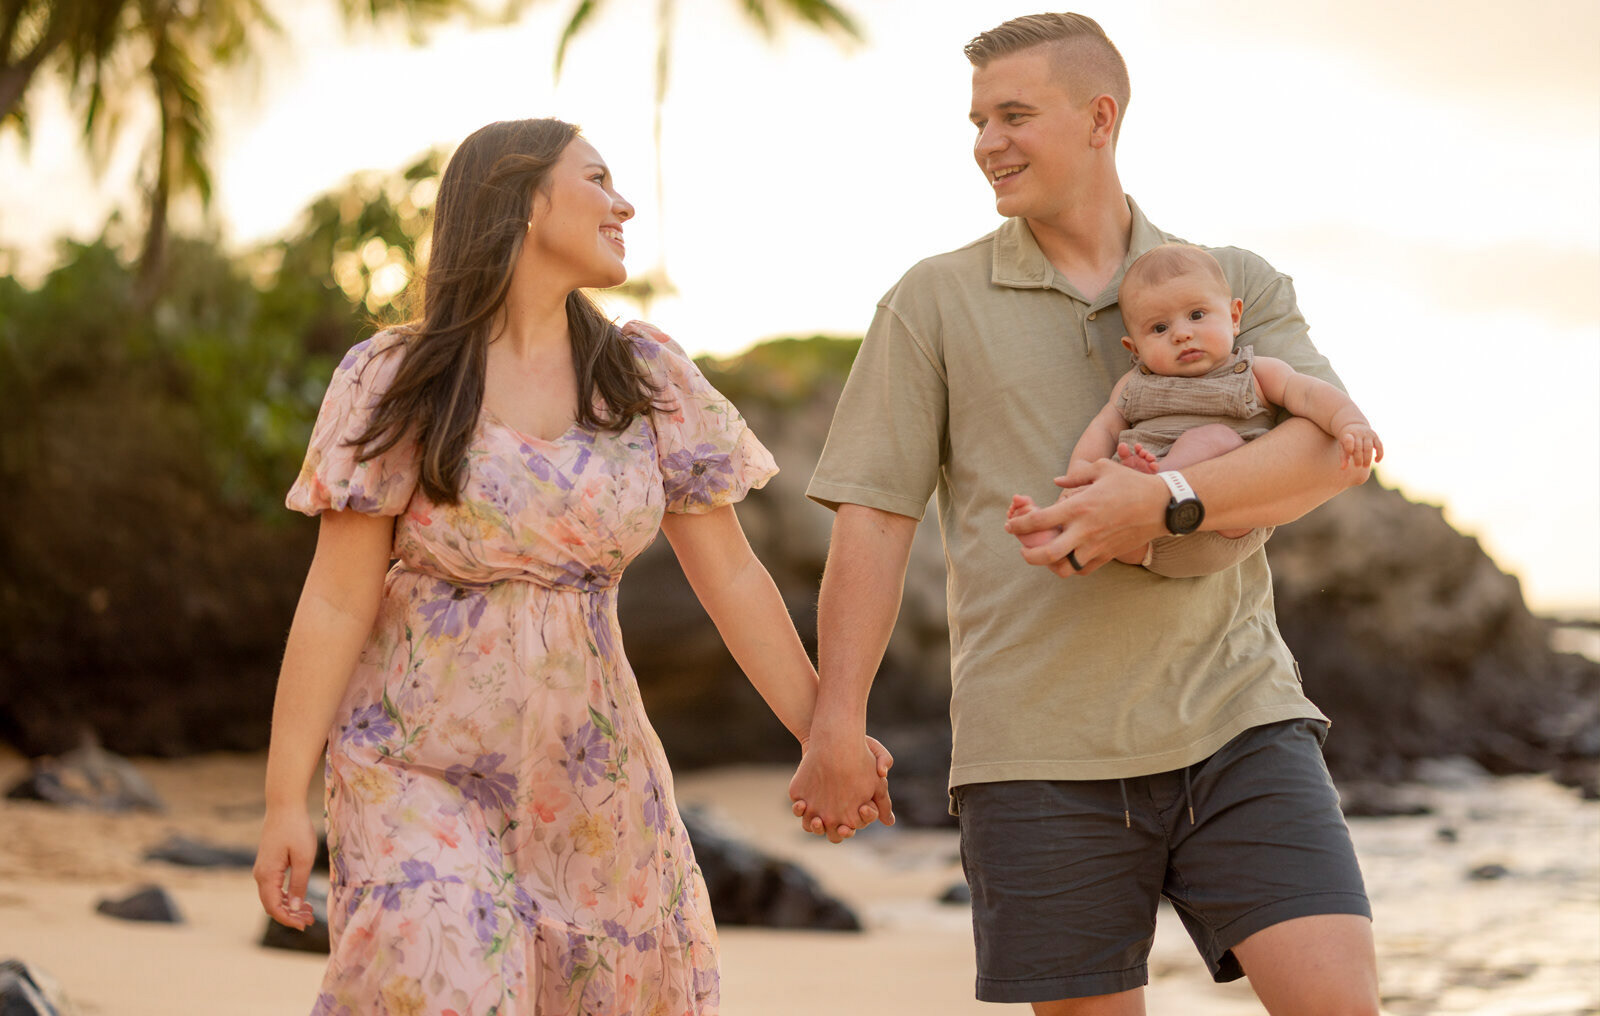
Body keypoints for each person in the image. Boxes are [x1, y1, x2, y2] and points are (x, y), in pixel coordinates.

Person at [788, 13, 1382, 1016]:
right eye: (977, 120)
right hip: (1034, 754)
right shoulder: (930, 302)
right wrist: (833, 723)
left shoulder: (1229, 285)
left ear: (1099, 117)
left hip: (1236, 720)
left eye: (1014, 114)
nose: (987, 141)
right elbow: (876, 518)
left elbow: (1325, 450)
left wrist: (1160, 503)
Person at [251, 117, 890, 1016]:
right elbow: (332, 599)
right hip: (416, 763)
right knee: (439, 976)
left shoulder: (643, 380)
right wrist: (286, 801)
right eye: (597, 178)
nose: (622, 202)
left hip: (591, 781)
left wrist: (825, 733)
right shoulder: (397, 378)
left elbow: (734, 579)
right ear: (518, 199)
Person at [1007, 241, 1382, 567]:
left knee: (1214, 438)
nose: (1182, 333)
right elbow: (1104, 428)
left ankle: (1157, 478)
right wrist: (1078, 485)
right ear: (1134, 349)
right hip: (1145, 543)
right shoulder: (1135, 383)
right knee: (1112, 500)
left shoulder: (1253, 371)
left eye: (1197, 315)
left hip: (1228, 519)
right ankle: (1055, 529)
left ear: (1234, 317)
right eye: (1159, 328)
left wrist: (1350, 424)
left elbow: (1311, 394)